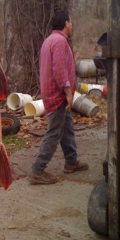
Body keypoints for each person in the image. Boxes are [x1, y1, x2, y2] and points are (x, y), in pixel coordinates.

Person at [28, 10, 88, 185]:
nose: (72, 23)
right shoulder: (60, 42)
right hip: (57, 94)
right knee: (54, 132)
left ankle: (71, 161)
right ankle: (37, 170)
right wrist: (68, 92)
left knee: (67, 127)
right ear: (66, 23)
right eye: (71, 21)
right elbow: (60, 70)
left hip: (51, 92)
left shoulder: (49, 40)